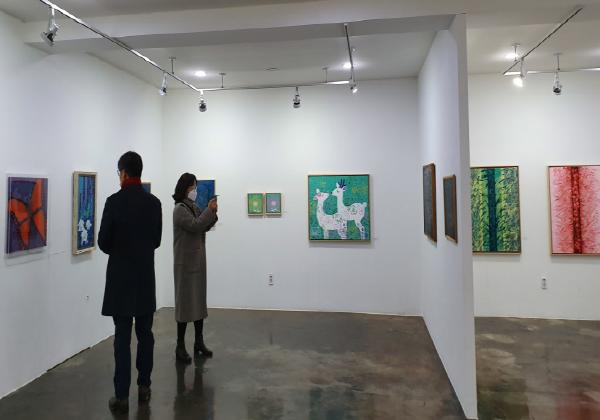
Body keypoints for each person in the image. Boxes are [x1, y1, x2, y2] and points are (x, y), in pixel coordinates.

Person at [98, 151, 162, 414]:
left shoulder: (114, 202)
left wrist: (121, 249)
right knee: (145, 335)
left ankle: (122, 395)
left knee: (122, 338)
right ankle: (144, 386)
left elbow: (103, 242)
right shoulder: (154, 203)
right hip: (144, 278)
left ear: (123, 173)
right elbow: (156, 240)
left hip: (121, 279)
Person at [172, 173, 218, 363]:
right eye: (193, 187)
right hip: (184, 264)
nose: (195, 191)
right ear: (185, 188)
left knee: (198, 302)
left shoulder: (193, 206)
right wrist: (209, 211)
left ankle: (198, 342)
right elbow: (196, 225)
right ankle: (180, 346)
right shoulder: (180, 209)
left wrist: (213, 213)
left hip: (197, 262)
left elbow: (204, 225)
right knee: (184, 306)